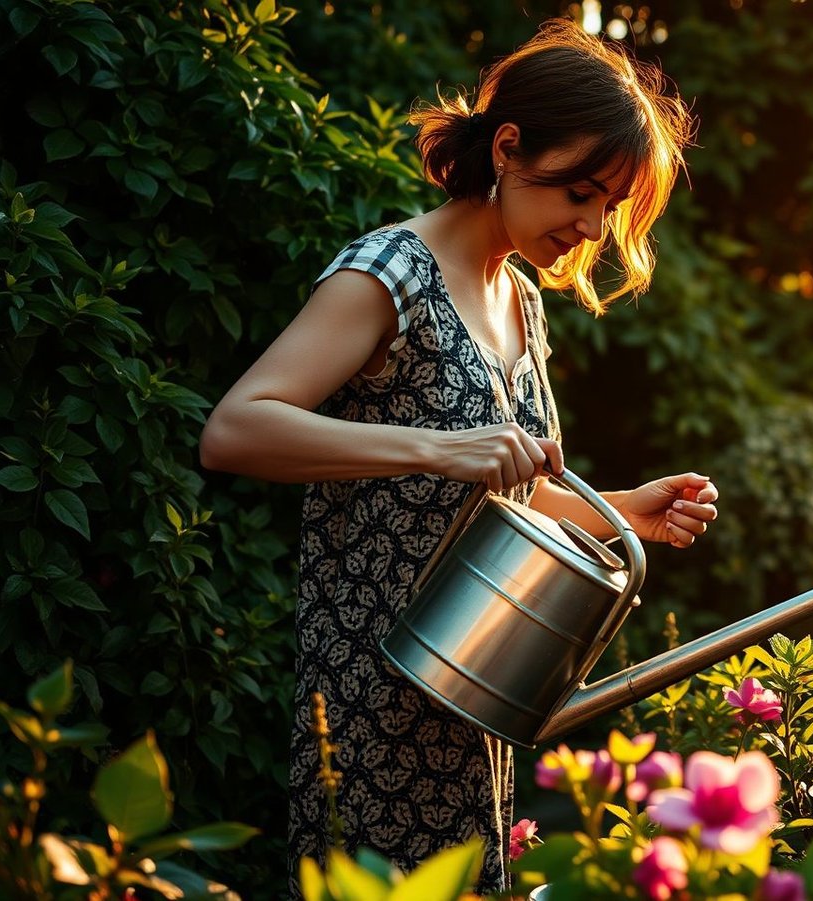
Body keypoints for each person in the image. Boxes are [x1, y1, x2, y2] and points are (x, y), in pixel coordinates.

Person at [198, 20, 711, 896]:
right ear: (509, 148)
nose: (591, 226)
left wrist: (626, 508)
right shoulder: (391, 270)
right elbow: (237, 429)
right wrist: (435, 449)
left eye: (609, 206)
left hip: (468, 715)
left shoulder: (521, 300)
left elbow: (510, 493)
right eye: (580, 191)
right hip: (370, 715)